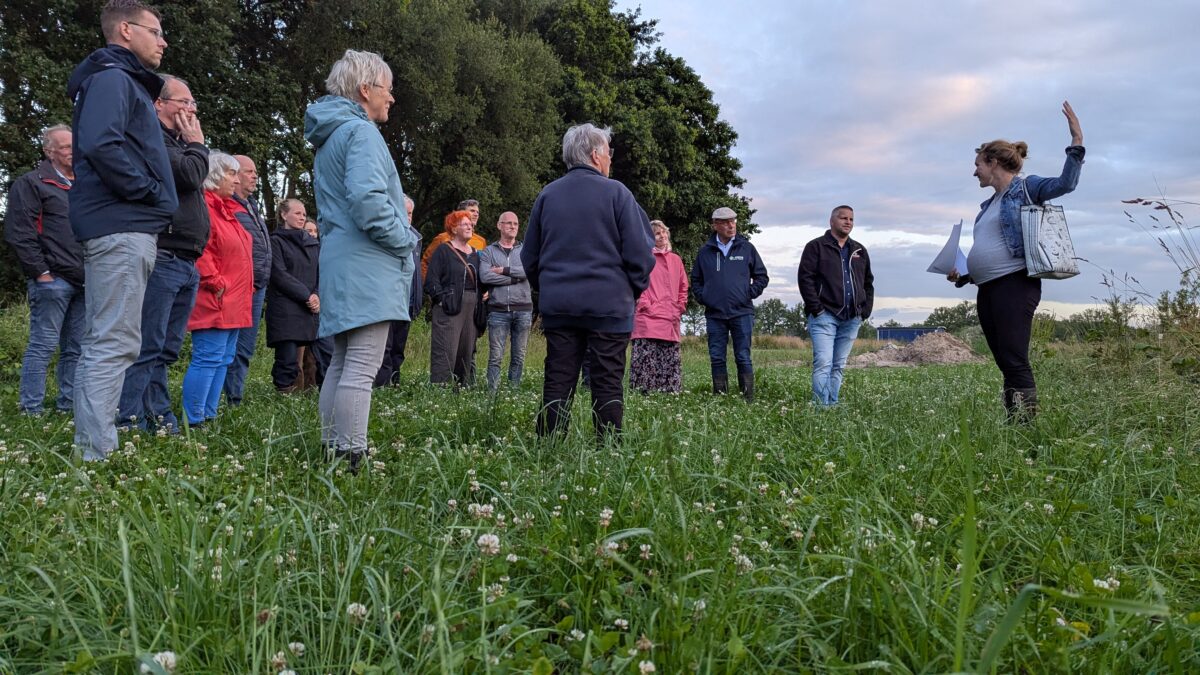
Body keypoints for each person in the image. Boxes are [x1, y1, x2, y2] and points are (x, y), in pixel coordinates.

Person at [68, 0, 178, 460]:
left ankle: (96, 447)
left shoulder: (121, 81)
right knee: (111, 341)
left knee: (112, 339)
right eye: (156, 31)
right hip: (120, 224)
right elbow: (100, 143)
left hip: (124, 225)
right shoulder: (114, 79)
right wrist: (150, 190)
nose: (163, 40)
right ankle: (95, 455)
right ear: (127, 31)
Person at [305, 49, 419, 472]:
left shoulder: (331, 136)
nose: (391, 98)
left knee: (340, 361)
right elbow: (369, 201)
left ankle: (332, 450)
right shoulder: (362, 133)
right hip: (367, 263)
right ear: (365, 89)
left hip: (340, 260)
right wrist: (403, 240)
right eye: (387, 89)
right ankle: (352, 456)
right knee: (362, 366)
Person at [948, 101, 1085, 422]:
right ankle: (1015, 423)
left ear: (993, 162)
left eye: (978, 164)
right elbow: (991, 250)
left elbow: (1066, 184)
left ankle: (1026, 425)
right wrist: (964, 273)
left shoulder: (1026, 188)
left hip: (1015, 285)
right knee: (1004, 362)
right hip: (988, 289)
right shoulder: (987, 205)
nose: (974, 171)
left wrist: (1076, 142)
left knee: (1015, 359)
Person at [522, 123, 655, 439]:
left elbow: (529, 257)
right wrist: (631, 289)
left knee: (558, 377)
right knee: (607, 379)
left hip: (561, 305)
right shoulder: (617, 193)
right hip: (609, 305)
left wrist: (551, 290)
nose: (610, 160)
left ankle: (549, 445)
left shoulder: (548, 195)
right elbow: (641, 253)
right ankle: (607, 449)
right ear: (596, 156)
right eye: (609, 153)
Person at [117, 75, 210, 431]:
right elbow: (189, 175)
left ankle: (157, 415)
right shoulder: (154, 140)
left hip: (186, 260)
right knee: (148, 345)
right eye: (184, 102)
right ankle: (127, 419)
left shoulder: (176, 143)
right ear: (159, 104)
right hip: (165, 255)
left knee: (166, 348)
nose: (191, 110)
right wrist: (197, 144)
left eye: (193, 104)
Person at [4, 125, 84, 416]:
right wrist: (42, 274)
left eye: (75, 146)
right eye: (65, 147)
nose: (73, 151)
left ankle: (68, 405)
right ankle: (31, 409)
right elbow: (20, 232)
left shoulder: (86, 185)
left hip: (84, 281)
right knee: (43, 345)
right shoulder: (32, 183)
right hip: (53, 280)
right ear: (49, 151)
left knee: (76, 349)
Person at [181, 152, 253, 427]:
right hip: (216, 296)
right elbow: (202, 248)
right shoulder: (204, 208)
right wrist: (214, 281)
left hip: (235, 297)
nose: (236, 180)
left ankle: (208, 415)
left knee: (223, 358)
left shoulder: (228, 210)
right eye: (231, 174)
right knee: (208, 356)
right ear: (214, 176)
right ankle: (194, 418)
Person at [797, 205, 875, 406]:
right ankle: (821, 407)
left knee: (838, 365)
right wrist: (817, 308)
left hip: (852, 317)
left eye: (851, 219)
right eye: (843, 218)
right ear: (832, 221)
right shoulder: (816, 247)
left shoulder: (859, 250)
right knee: (823, 363)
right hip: (825, 315)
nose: (848, 222)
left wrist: (864, 311)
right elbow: (805, 279)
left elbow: (868, 282)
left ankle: (832, 403)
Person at [690, 206, 769, 401]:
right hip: (715, 314)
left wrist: (748, 293)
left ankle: (748, 398)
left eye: (733, 221)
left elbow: (762, 276)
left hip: (742, 312)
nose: (731, 225)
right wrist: (705, 297)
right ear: (715, 225)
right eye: (725, 222)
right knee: (717, 357)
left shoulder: (747, 248)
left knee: (743, 356)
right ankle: (720, 397)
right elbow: (696, 281)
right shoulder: (705, 252)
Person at [223, 154, 272, 405]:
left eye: (255, 171)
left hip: (257, 286)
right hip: (236, 286)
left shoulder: (252, 205)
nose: (255, 176)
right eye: (249, 171)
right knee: (227, 347)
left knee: (244, 348)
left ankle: (235, 399)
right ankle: (222, 400)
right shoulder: (226, 205)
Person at [266, 199, 320, 393]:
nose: (302, 217)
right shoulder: (275, 241)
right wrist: (307, 295)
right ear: (283, 215)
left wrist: (316, 295)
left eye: (304, 214)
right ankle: (284, 402)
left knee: (315, 359)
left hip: (309, 310)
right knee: (287, 360)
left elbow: (321, 273)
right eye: (297, 213)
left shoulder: (313, 245)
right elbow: (279, 274)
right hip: (285, 310)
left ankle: (305, 397)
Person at [629, 220, 689, 394]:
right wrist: (646, 304)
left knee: (669, 357)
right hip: (647, 317)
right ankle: (644, 393)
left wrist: (680, 306)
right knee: (647, 357)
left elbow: (683, 286)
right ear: (649, 237)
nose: (662, 236)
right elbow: (636, 283)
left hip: (671, 317)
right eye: (657, 233)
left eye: (664, 232)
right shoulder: (643, 258)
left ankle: (668, 393)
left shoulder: (676, 260)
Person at [426, 210, 483, 386]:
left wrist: (484, 292)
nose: (470, 226)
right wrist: (442, 300)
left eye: (470, 224)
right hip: (449, 308)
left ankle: (461, 393)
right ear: (453, 228)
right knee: (445, 350)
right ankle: (440, 391)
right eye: (464, 224)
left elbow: (482, 280)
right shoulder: (444, 250)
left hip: (471, 310)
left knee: (465, 352)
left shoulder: (476, 254)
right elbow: (431, 279)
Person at [479, 211, 533, 391]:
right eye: (508, 223)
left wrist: (502, 270)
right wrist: (513, 278)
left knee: (519, 356)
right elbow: (485, 276)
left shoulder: (526, 250)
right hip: (498, 310)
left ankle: (513, 393)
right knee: (495, 356)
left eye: (516, 224)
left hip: (523, 309)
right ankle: (491, 395)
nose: (512, 226)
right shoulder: (489, 251)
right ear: (499, 225)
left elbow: (528, 272)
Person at [374, 194, 423, 387]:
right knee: (384, 347)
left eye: (410, 213)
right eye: (404, 212)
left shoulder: (416, 237)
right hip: (388, 301)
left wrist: (417, 301)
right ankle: (382, 387)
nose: (408, 217)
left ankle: (395, 384)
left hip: (407, 303)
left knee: (398, 349)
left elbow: (416, 272)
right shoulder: (385, 236)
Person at [421, 199, 486, 279]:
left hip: (471, 289)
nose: (476, 214)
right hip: (447, 288)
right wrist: (429, 286)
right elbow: (425, 263)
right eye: (472, 211)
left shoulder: (481, 241)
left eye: (477, 212)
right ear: (461, 213)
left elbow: (482, 268)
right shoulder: (443, 238)